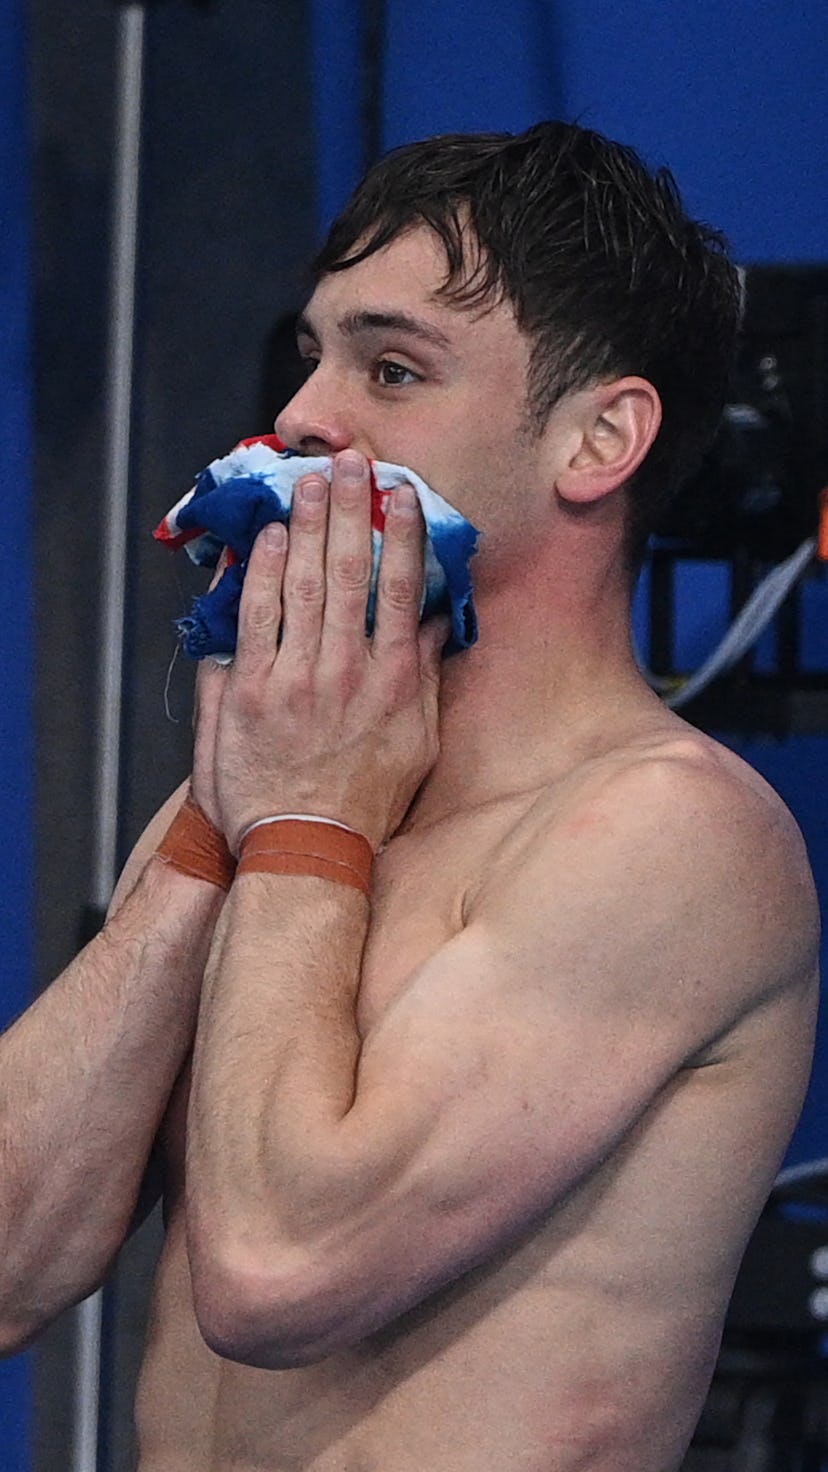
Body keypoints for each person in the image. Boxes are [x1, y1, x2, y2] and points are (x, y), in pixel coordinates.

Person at [0, 122, 819, 1471]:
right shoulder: (265, 802)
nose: (308, 418)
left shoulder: (674, 834)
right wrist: (223, 820)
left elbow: (277, 1272)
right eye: (310, 357)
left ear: (598, 438)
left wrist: (302, 818)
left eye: (391, 368)